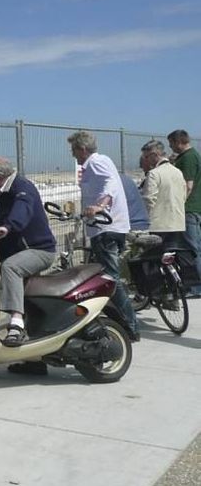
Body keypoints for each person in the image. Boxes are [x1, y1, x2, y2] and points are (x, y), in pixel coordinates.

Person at [68, 130, 138, 339]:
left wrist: (100, 206)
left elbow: (111, 185)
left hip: (107, 227)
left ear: (82, 149)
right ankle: (118, 321)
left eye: (74, 150)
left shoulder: (97, 162)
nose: (73, 155)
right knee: (103, 277)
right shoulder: (92, 165)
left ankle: (130, 326)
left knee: (110, 279)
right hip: (104, 227)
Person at [0, 157, 57, 349]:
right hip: (19, 251)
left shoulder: (21, 187)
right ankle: (32, 357)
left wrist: (7, 227)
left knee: (11, 268)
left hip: (38, 250)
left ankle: (15, 324)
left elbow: (22, 211)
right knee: (29, 303)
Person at [168, 129, 201, 297]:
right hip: (194, 208)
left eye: (172, 143)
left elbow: (188, 185)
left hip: (188, 209)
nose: (171, 147)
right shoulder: (192, 155)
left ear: (179, 141)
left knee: (192, 249)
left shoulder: (188, 158)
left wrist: (179, 205)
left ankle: (196, 287)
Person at [140, 140, 187, 249]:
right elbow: (183, 195)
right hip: (177, 223)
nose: (146, 161)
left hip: (159, 225)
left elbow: (149, 200)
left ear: (154, 155)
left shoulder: (154, 174)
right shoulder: (178, 172)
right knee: (172, 255)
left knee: (155, 259)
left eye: (146, 157)